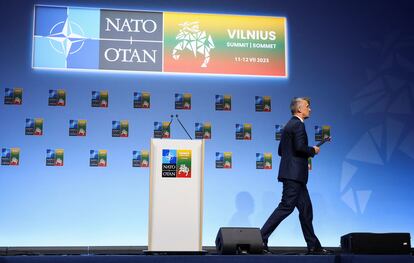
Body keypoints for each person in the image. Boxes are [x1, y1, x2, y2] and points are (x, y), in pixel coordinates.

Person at [261, 97, 330, 255]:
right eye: (307, 106)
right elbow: (299, 147)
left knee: (306, 209)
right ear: (299, 109)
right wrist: (313, 150)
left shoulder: (288, 125)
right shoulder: (298, 125)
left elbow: (281, 151)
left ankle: (314, 246)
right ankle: (260, 238)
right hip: (294, 175)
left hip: (294, 176)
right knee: (286, 206)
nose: (310, 109)